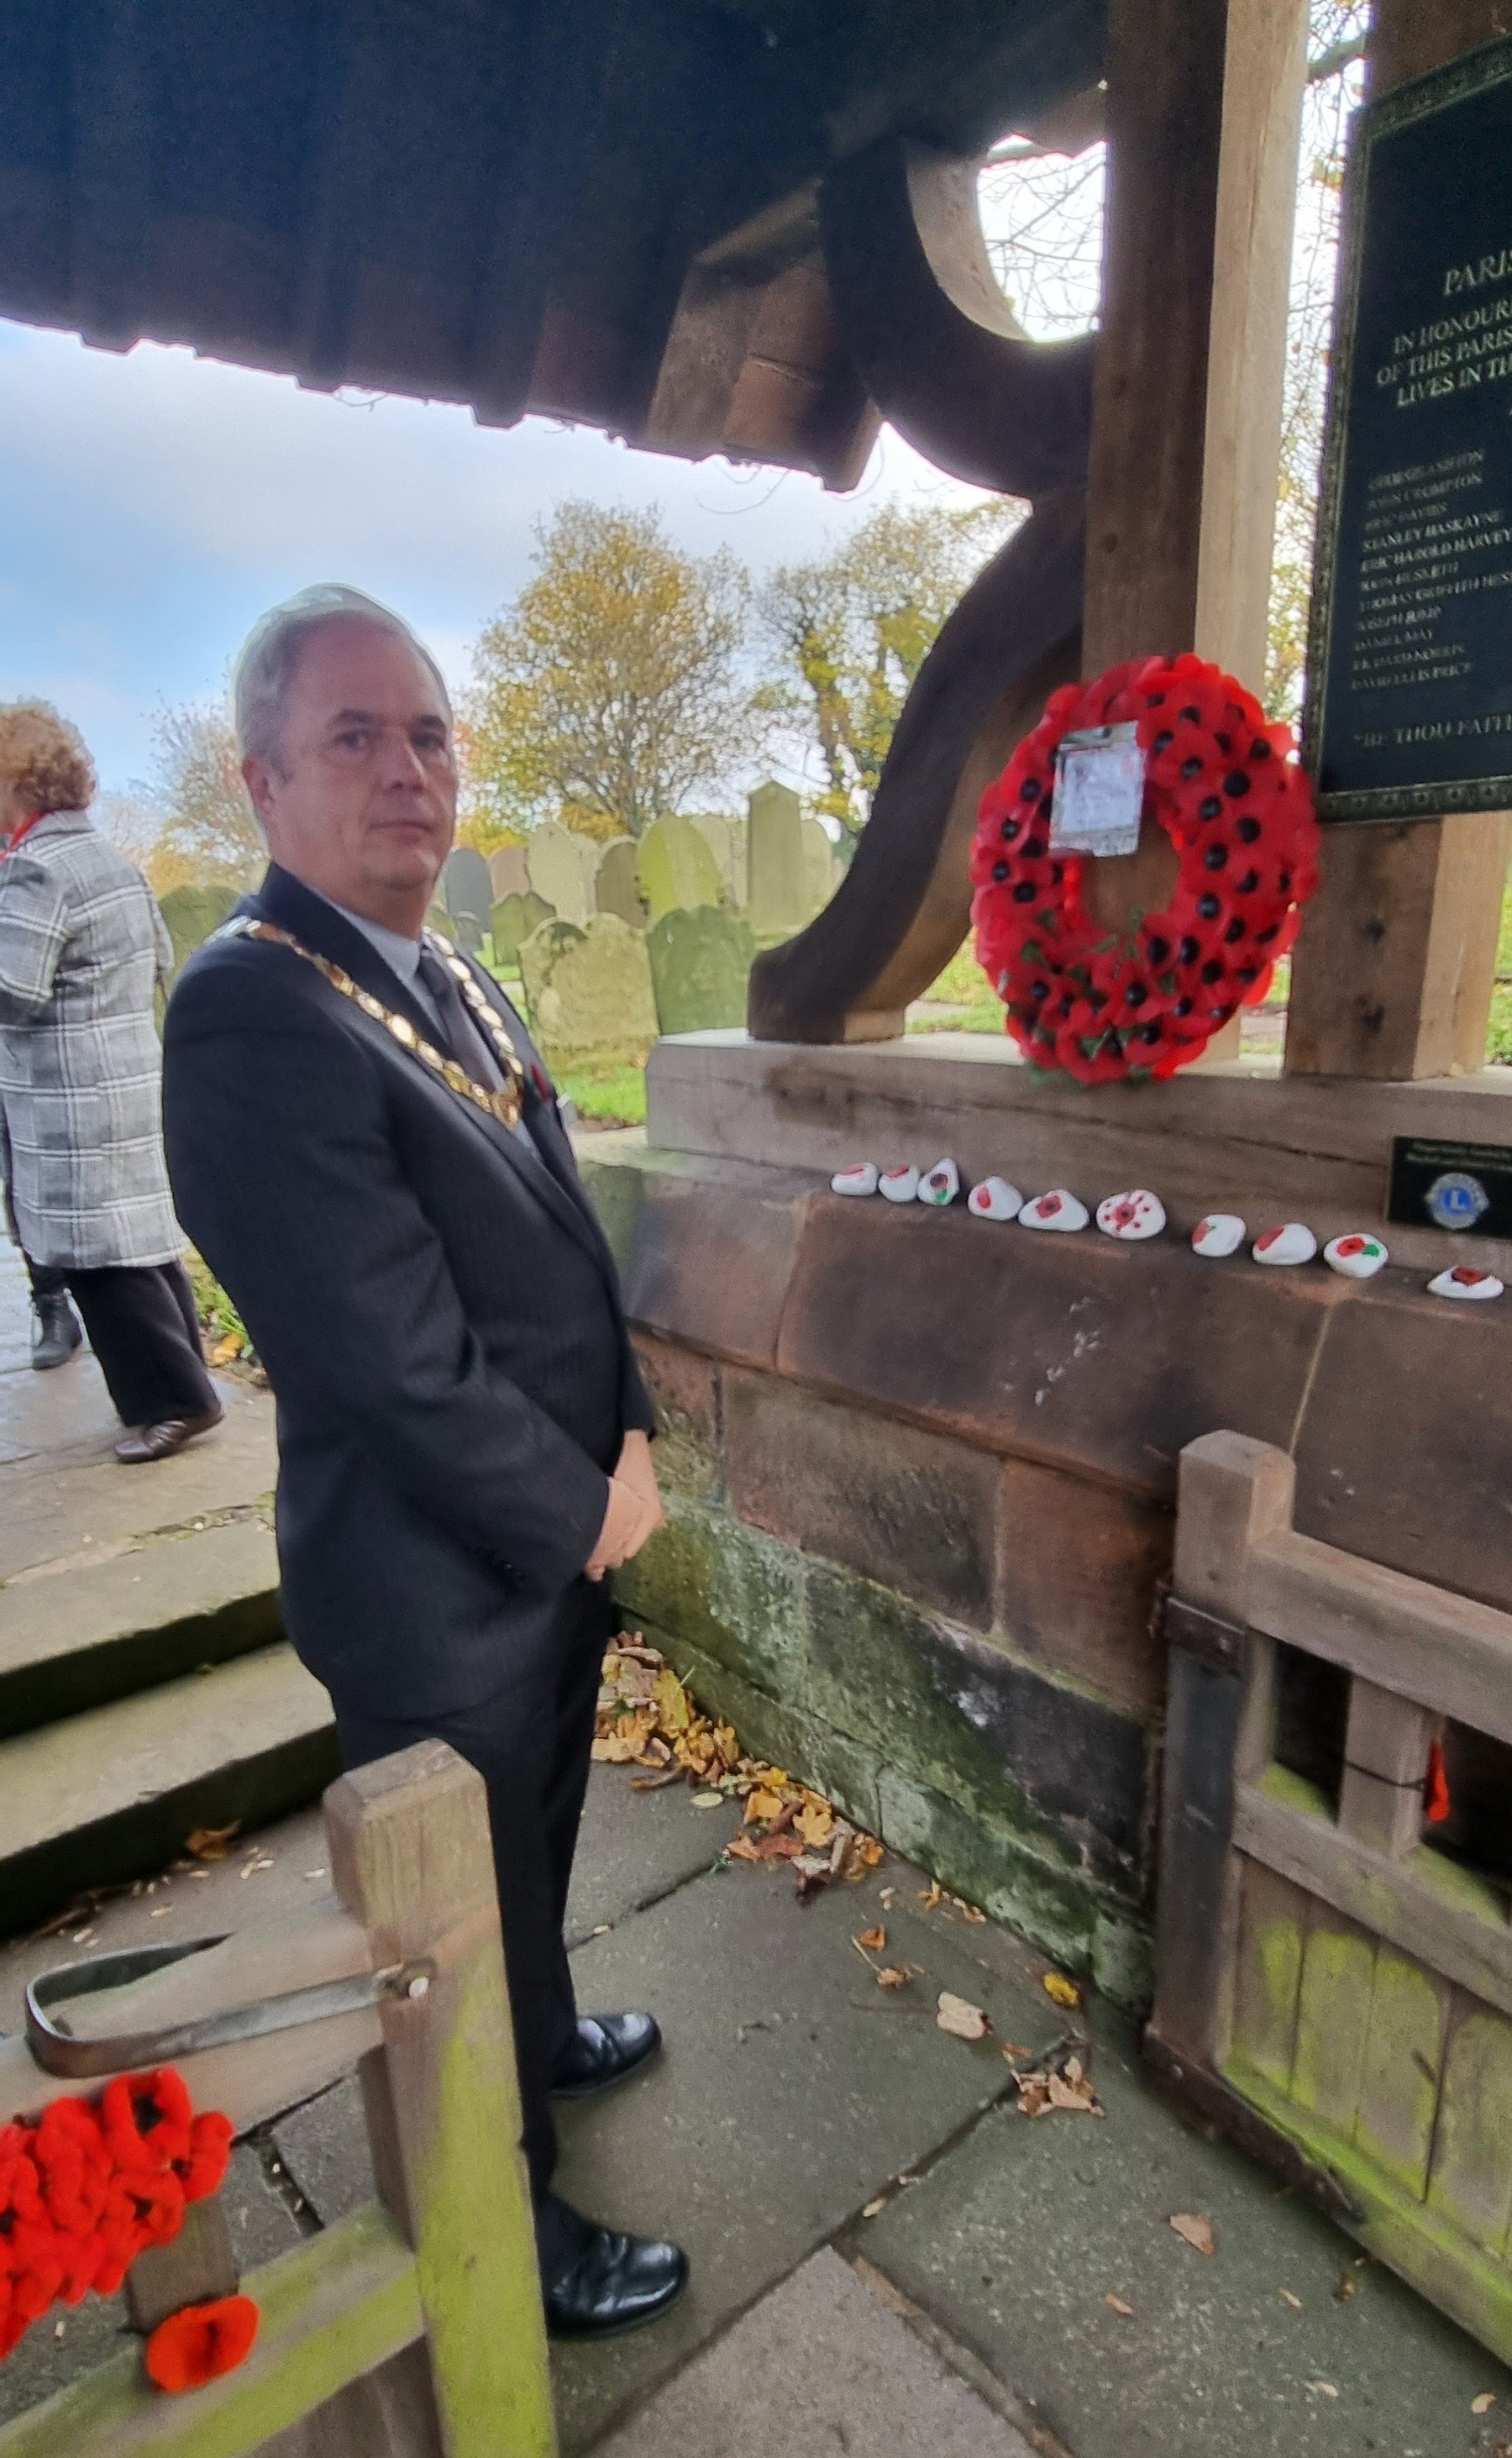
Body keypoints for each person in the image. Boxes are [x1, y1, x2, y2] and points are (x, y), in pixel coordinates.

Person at [161, 586, 687, 2340]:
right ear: (262, 781)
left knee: (531, 1849)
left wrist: (629, 1426)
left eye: (431, 731)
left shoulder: (443, 959)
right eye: (354, 737)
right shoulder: (246, 1016)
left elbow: (557, 1230)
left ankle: (537, 2038)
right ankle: (500, 2219)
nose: (409, 771)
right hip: (428, 1576)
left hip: (541, 1542)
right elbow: (385, 1358)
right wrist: (582, 1500)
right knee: (444, 1926)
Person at [0, 701, 221, 1460]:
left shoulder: (35, 868)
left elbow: (15, 990)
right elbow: (158, 961)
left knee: (99, 1263)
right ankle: (187, 1383)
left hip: (67, 1097)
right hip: (125, 1079)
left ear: (14, 787)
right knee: (143, 1248)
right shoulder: (113, 863)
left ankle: (174, 1402)